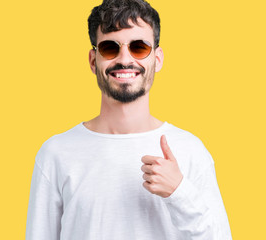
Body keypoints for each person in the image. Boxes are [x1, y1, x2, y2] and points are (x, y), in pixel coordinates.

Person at [25, 0, 232, 239]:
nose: (125, 59)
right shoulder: (55, 153)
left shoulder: (190, 150)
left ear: (158, 58)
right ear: (94, 61)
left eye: (139, 47)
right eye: (110, 48)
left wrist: (179, 192)